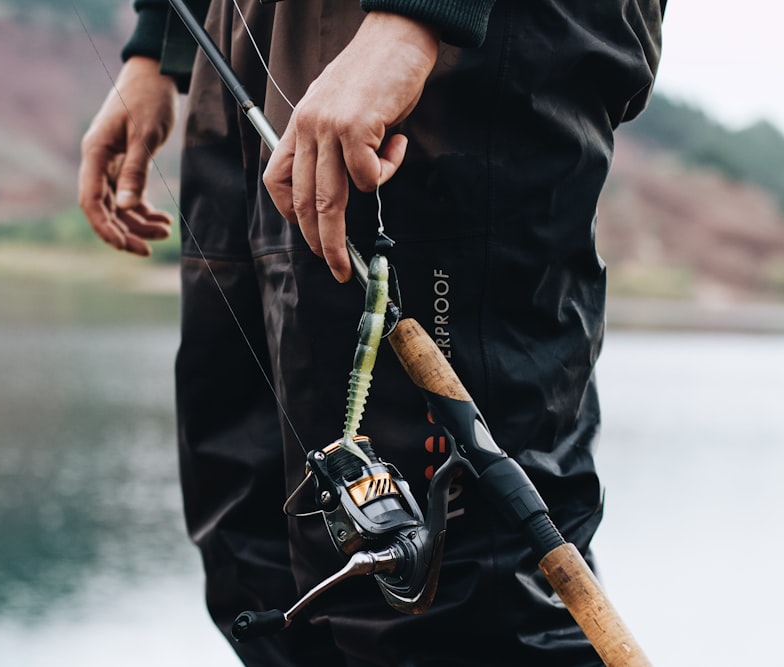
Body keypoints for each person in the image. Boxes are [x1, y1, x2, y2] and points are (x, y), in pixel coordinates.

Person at [79, 0, 666, 664]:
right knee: (256, 550)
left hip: (445, 39)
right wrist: (159, 43)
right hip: (240, 33)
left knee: (447, 592)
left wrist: (414, 20)